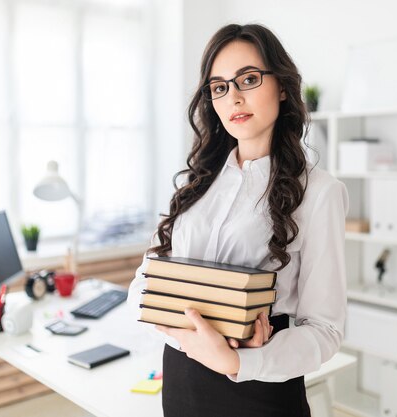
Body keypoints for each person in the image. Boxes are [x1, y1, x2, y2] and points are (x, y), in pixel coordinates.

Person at [127, 23, 348, 417]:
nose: (234, 97)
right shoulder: (194, 185)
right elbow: (142, 288)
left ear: (282, 85)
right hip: (180, 382)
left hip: (258, 392)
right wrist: (193, 339)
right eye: (219, 87)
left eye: (248, 79)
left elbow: (326, 331)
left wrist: (238, 361)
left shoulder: (319, 192)